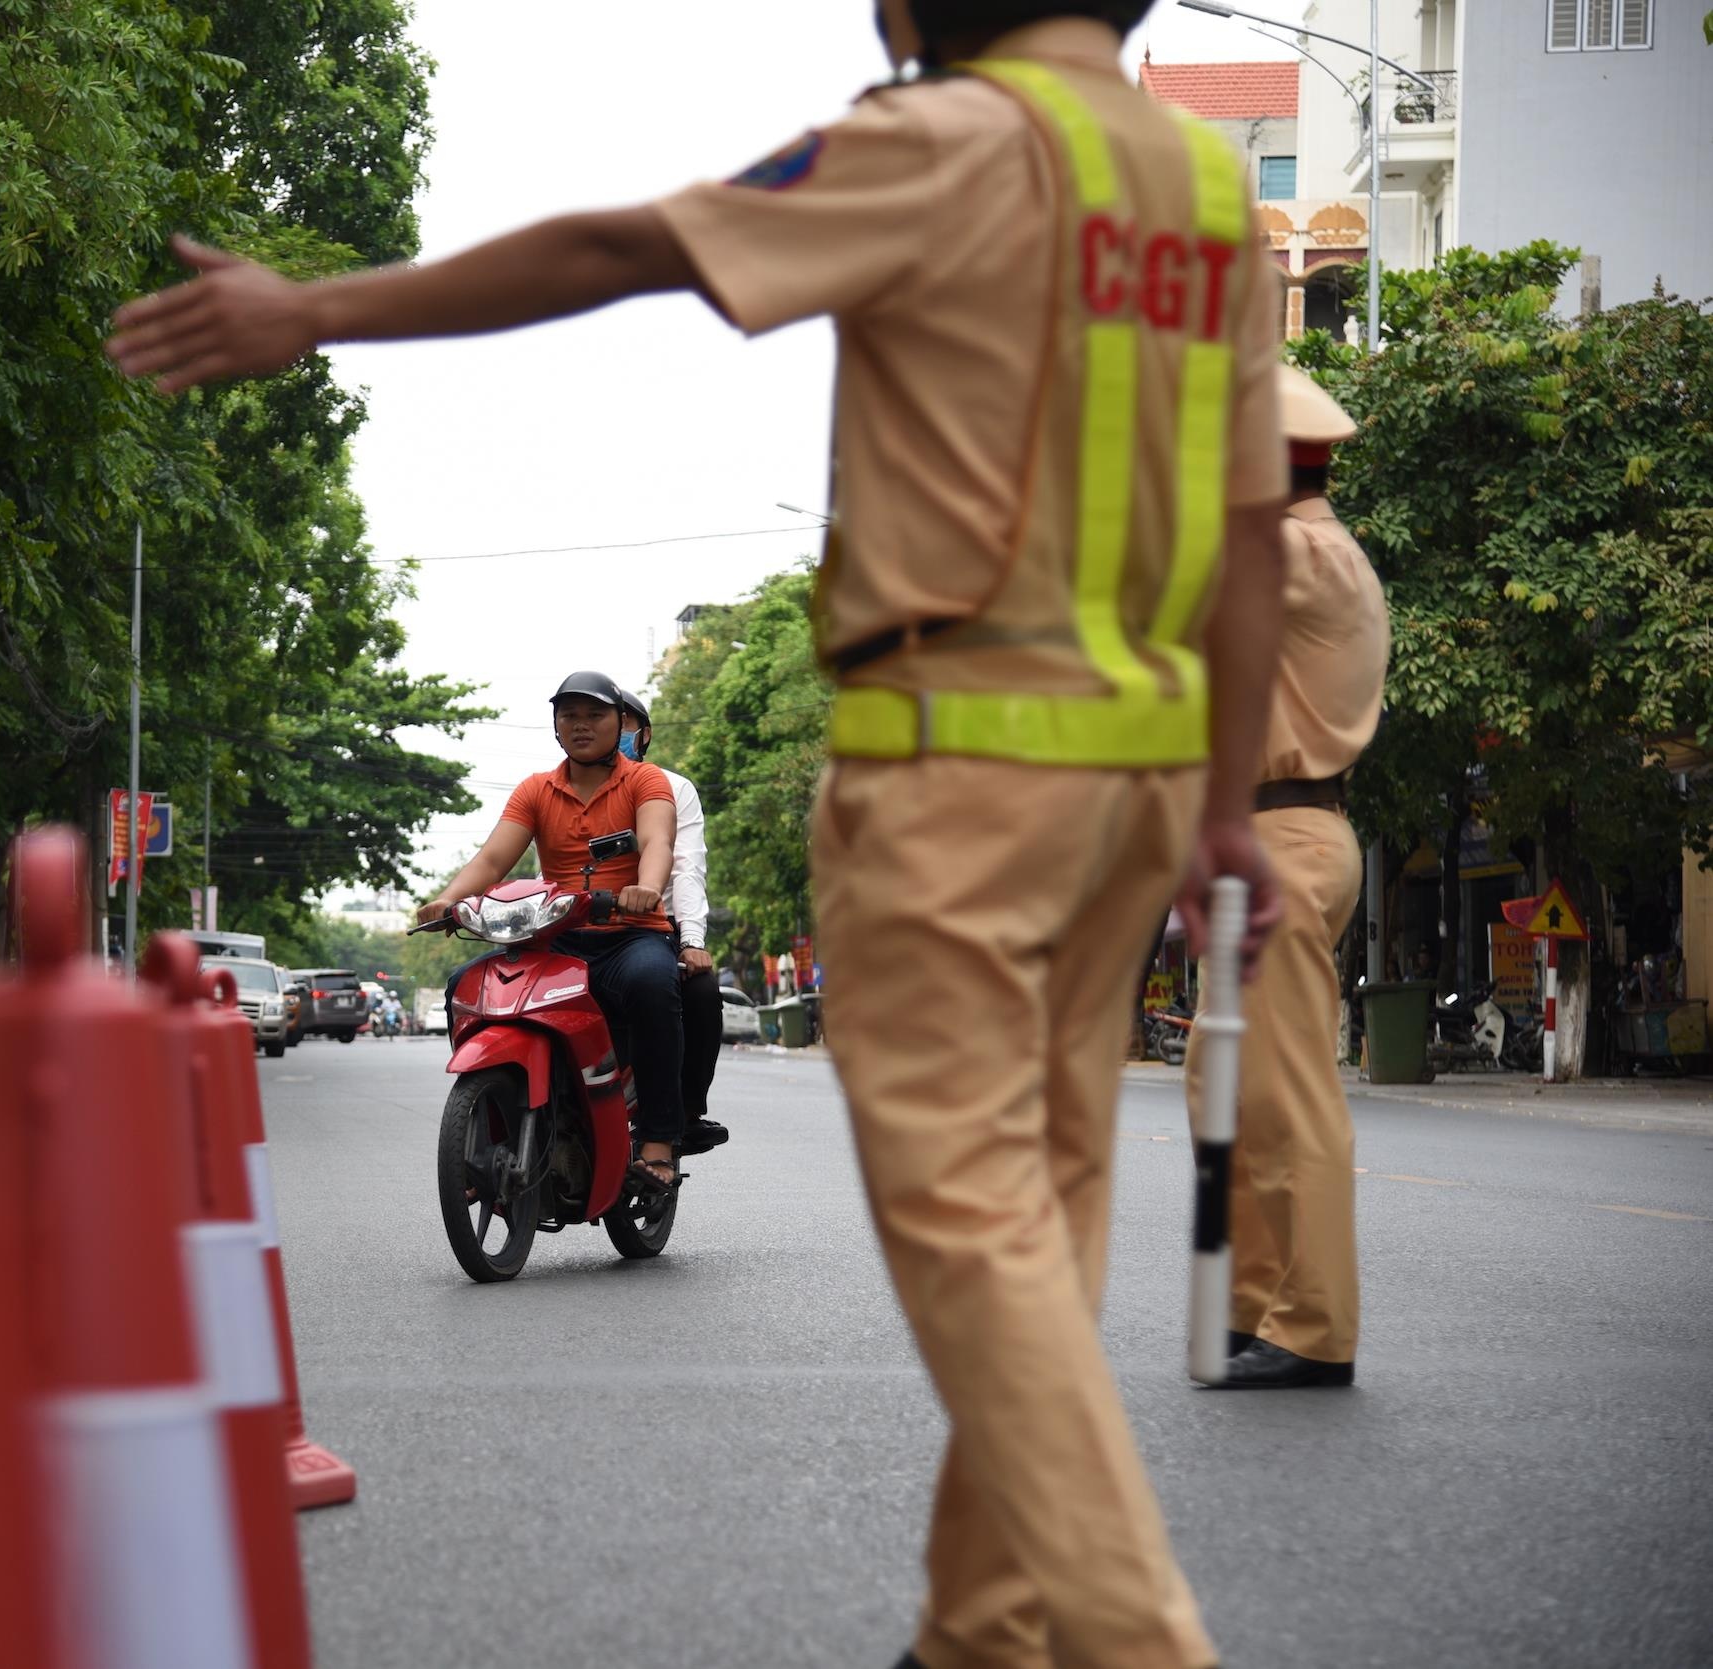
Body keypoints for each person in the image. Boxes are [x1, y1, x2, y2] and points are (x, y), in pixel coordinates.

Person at [103, 2, 1289, 1661]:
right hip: (1142, 780)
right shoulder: (1206, 194)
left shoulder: (939, 139)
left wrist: (315, 310)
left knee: (967, 1220)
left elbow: (629, 241)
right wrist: (1226, 803)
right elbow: (1251, 530)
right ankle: (987, 1625)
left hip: (961, 763)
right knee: (1042, 1224)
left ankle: (1129, 1636)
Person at [1185, 367, 1388, 1392]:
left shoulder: (1289, 551)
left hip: (1281, 836)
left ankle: (1313, 1326)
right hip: (1278, 833)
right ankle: (1252, 1305)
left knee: (1285, 1091)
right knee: (1234, 1089)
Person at [427, 672, 687, 1195]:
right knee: (465, 985)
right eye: (569, 715)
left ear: (620, 723)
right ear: (555, 726)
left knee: (653, 986)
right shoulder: (535, 790)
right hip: (557, 937)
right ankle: (491, 1131)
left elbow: (658, 841)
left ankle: (659, 1138)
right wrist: (448, 900)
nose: (581, 725)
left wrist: (647, 887)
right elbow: (494, 858)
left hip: (629, 934)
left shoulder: (646, 780)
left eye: (594, 715)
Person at [616, 693, 729, 1154]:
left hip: (650, 928)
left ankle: (681, 1114)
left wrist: (691, 940)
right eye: (576, 718)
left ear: (643, 734)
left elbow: (685, 870)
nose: (600, 731)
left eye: (618, 723)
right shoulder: (550, 788)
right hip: (575, 929)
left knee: (699, 992)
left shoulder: (669, 788)